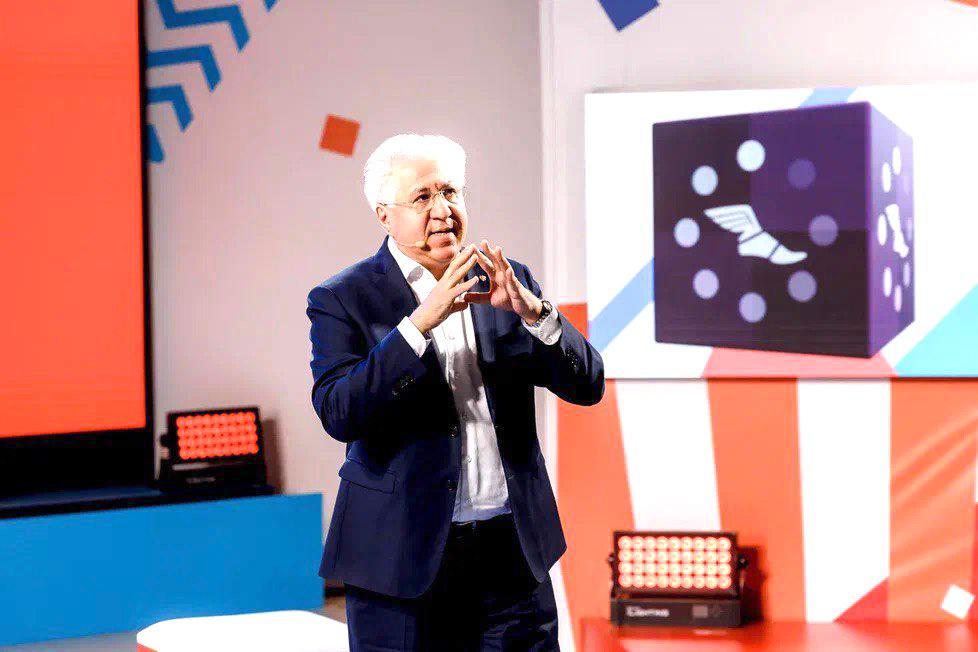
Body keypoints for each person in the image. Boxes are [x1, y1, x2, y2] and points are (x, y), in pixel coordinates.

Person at [306, 133, 604, 650]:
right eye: (422, 197)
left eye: (450, 192)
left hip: (511, 553)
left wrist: (537, 315)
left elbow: (587, 385)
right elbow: (339, 412)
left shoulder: (504, 280)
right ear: (384, 216)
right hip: (400, 560)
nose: (443, 210)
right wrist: (419, 325)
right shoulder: (342, 297)